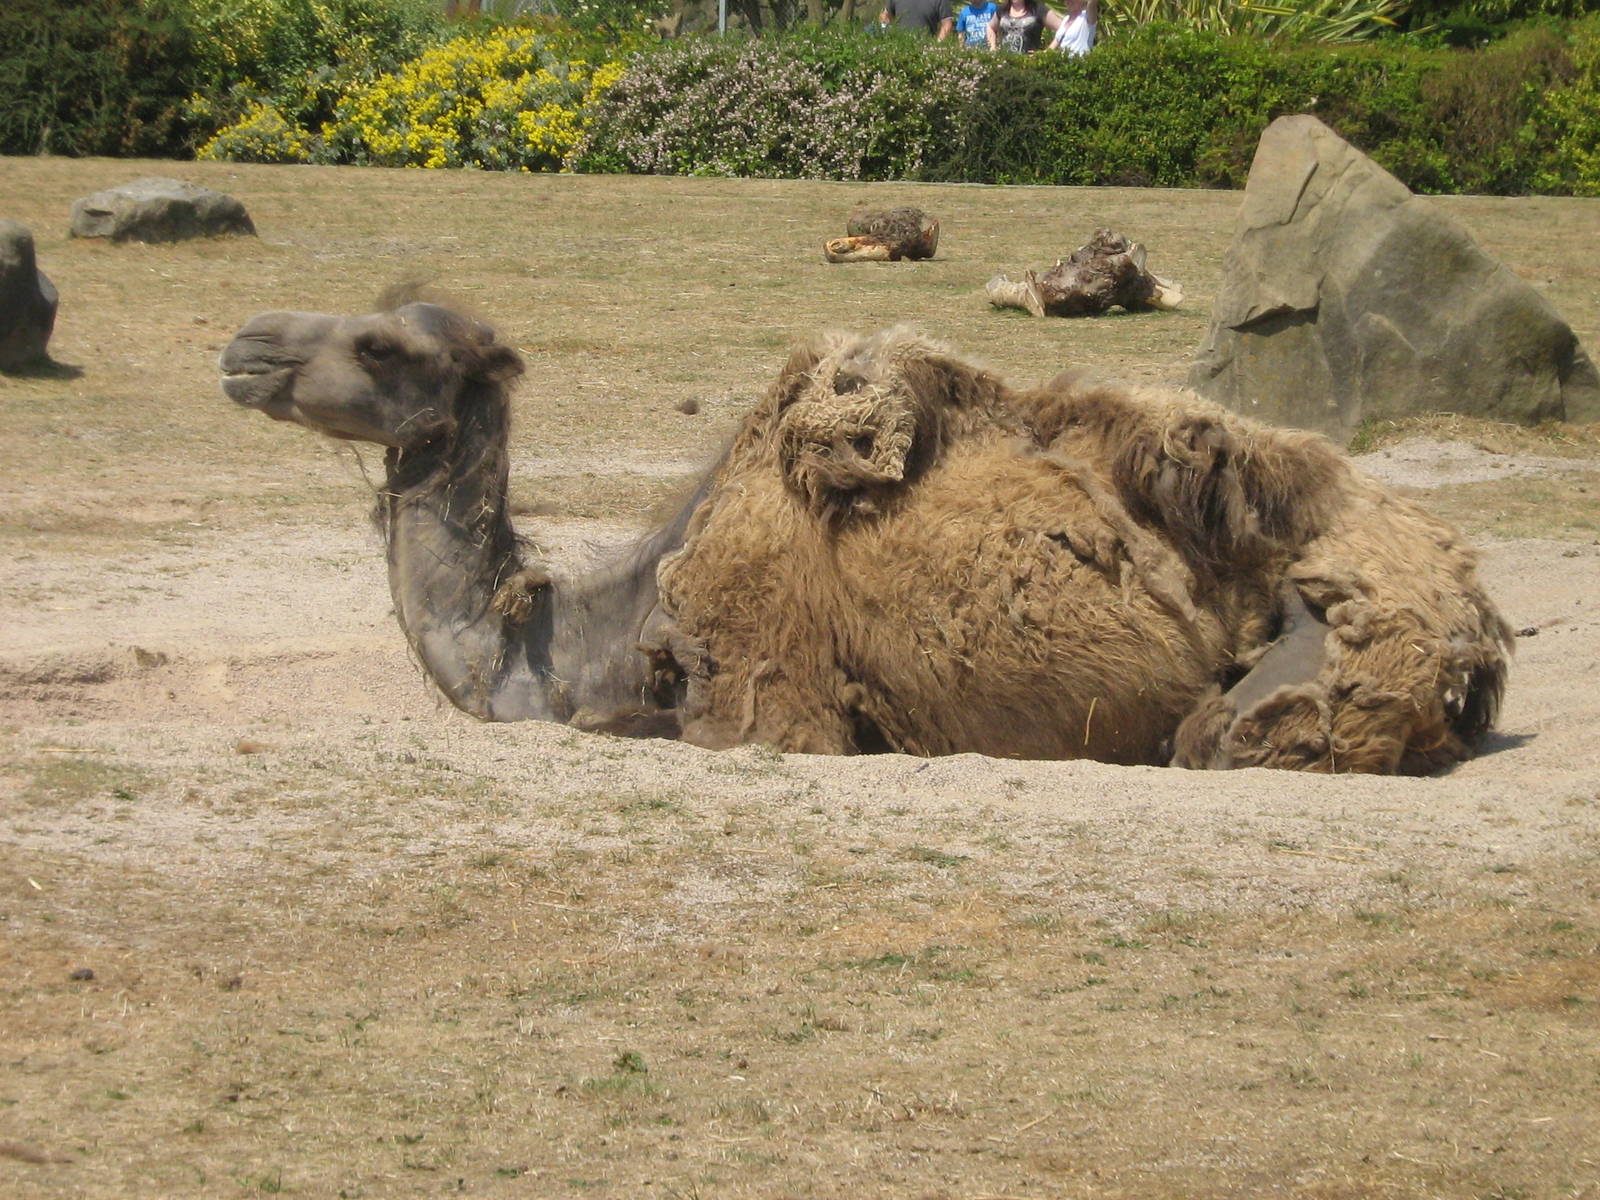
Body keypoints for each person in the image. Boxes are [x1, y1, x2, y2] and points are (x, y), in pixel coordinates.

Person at [987, 0, 1061, 53]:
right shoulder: (1003, 9)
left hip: (1029, 67)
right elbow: (990, 27)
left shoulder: (1038, 9)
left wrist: (1047, 52)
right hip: (1004, 66)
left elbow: (1062, 29)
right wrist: (993, 46)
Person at [880, 0, 954, 39]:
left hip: (926, 49)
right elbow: (885, 15)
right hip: (899, 48)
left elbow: (947, 23)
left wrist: (937, 46)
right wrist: (887, 36)